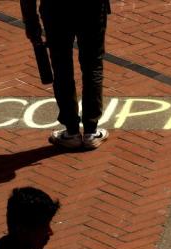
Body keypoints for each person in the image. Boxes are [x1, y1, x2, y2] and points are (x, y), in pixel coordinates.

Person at [21, 0, 111, 151]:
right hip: (91, 9)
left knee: (61, 68)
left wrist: (32, 25)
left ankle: (72, 132)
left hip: (56, 11)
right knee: (92, 66)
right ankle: (91, 130)